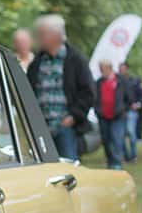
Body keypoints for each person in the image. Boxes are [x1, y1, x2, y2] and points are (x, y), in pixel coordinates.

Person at [23, 14, 94, 161]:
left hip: (66, 127)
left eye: (42, 34)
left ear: (55, 35)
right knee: (43, 167)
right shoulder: (36, 64)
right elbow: (27, 93)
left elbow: (88, 93)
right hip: (42, 129)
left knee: (68, 166)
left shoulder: (76, 60)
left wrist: (73, 117)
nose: (38, 38)